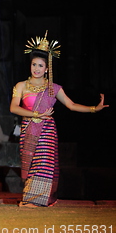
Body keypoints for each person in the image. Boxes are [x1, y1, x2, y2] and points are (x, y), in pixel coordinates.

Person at [10, 31, 108, 207]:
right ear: (30, 65)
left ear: (47, 68)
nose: (36, 69)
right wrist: (35, 114)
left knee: (43, 163)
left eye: (40, 65)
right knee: (32, 164)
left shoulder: (53, 88)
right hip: (29, 128)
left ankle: (36, 200)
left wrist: (94, 108)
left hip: (47, 130)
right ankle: (33, 198)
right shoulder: (21, 86)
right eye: (34, 64)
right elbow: (13, 108)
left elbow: (71, 105)